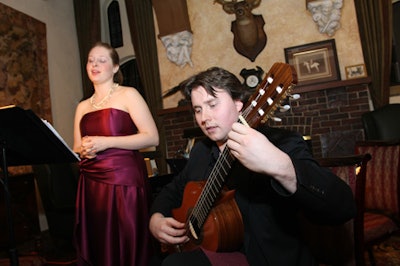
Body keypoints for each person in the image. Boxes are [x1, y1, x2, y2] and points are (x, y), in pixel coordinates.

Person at [149, 66, 356, 265]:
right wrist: (156, 218)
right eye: (198, 110)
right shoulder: (201, 152)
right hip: (218, 250)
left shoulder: (280, 143)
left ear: (238, 103)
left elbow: (343, 206)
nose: (205, 118)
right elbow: (172, 190)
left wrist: (281, 166)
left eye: (213, 105)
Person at [73, 42, 159, 266]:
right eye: (91, 60)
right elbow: (75, 148)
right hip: (91, 182)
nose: (95, 64)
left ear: (115, 67)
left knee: (127, 239)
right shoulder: (82, 106)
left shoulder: (128, 94)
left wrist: (105, 143)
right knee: (99, 240)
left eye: (102, 60)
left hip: (125, 180)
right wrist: (85, 149)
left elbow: (152, 138)